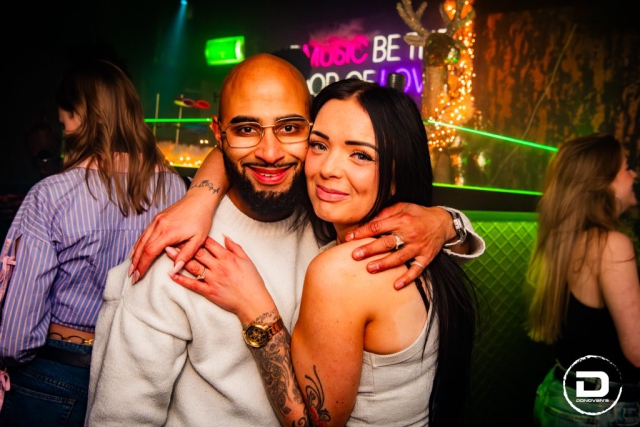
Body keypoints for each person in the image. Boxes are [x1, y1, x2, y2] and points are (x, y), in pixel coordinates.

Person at [86, 53, 484, 426]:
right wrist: (198, 198)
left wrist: (445, 221)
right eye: (246, 129)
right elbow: (119, 416)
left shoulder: (342, 227)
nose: (271, 152)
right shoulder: (180, 251)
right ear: (220, 135)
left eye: (290, 128)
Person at [0, 59, 186, 426]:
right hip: (137, 376)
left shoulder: (50, 195)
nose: (65, 131)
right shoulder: (175, 190)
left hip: (53, 373)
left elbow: (16, 338)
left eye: (65, 121)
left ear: (81, 116)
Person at [527, 134, 640, 426]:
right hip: (599, 408)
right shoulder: (610, 244)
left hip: (561, 393)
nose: (634, 175)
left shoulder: (567, 240)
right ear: (604, 183)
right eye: (626, 167)